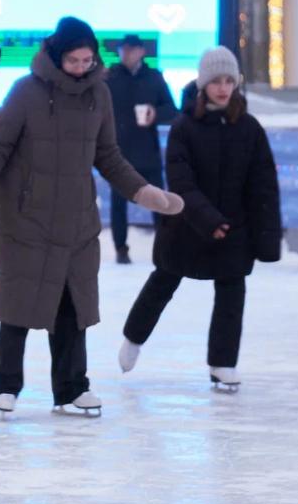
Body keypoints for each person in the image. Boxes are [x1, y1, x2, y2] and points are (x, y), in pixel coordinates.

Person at [0, 16, 184, 417]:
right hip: (27, 217)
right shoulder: (26, 92)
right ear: (55, 55)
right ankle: (6, 385)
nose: (82, 67)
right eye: (74, 60)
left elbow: (107, 155)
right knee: (20, 303)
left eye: (88, 60)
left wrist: (143, 191)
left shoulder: (98, 95)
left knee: (72, 308)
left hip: (77, 219)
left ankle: (71, 388)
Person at [118, 46, 281, 389]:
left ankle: (223, 363)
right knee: (163, 282)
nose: (222, 88)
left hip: (234, 228)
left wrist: (263, 238)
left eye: (228, 81)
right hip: (187, 225)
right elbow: (181, 182)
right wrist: (208, 220)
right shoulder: (184, 127)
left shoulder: (250, 128)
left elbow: (263, 185)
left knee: (232, 293)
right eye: (215, 81)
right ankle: (133, 338)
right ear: (202, 84)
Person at [106, 34, 179, 263]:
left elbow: (171, 109)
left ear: (141, 52)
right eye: (123, 50)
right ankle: (121, 248)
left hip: (148, 151)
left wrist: (155, 114)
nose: (126, 54)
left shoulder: (154, 78)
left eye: (131, 50)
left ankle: (165, 246)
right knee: (119, 204)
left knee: (158, 200)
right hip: (119, 152)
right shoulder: (110, 78)